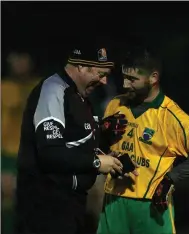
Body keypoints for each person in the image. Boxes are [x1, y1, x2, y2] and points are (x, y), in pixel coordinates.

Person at [97, 48, 189, 234]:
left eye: (132, 79)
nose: (125, 84)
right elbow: (98, 148)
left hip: (151, 205)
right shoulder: (115, 104)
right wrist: (103, 133)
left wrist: (170, 179)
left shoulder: (170, 116)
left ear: (153, 78)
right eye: (123, 77)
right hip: (113, 201)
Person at [15, 46, 131, 234]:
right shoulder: (53, 90)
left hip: (70, 205)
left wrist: (105, 150)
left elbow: (74, 146)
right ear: (81, 67)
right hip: (46, 208)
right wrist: (96, 162)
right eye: (100, 74)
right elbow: (50, 153)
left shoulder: (80, 96)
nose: (104, 81)